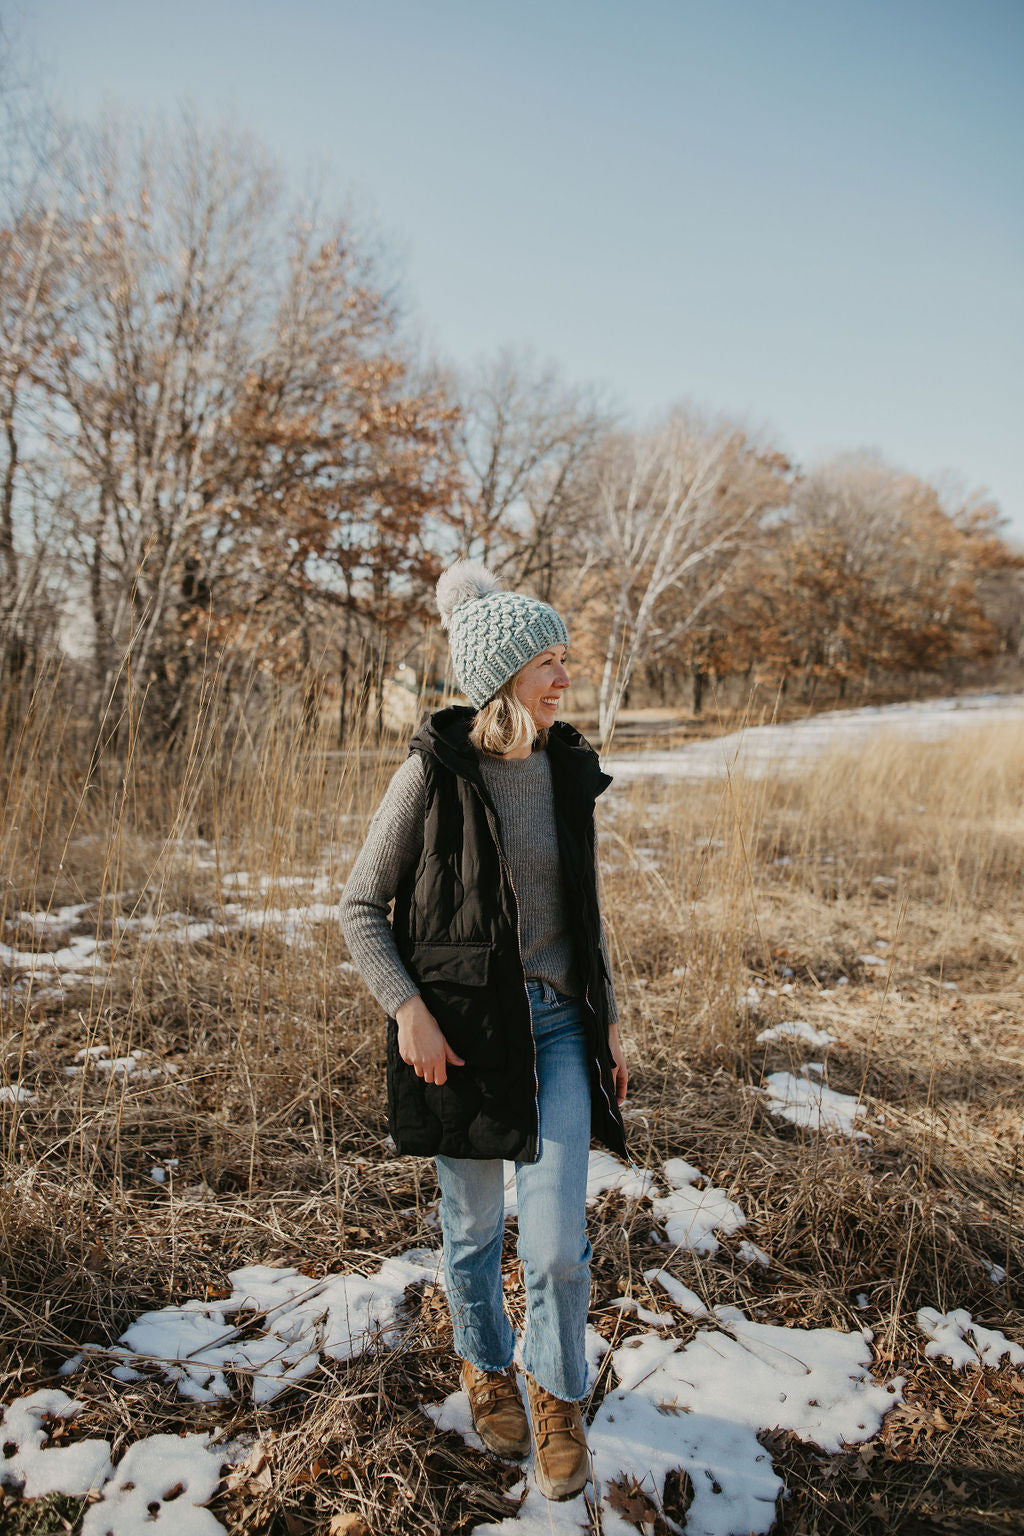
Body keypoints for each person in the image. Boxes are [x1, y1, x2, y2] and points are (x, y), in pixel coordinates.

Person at [340, 560, 628, 1503]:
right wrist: (408, 1011)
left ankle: (557, 1394)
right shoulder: (433, 771)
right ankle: (485, 1363)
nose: (564, 677)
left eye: (564, 658)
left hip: (554, 1032)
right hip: (461, 1035)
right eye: (548, 660)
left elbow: (584, 918)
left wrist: (609, 1029)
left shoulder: (566, 769)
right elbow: (358, 906)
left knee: (553, 1247)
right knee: (469, 1232)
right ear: (503, 675)